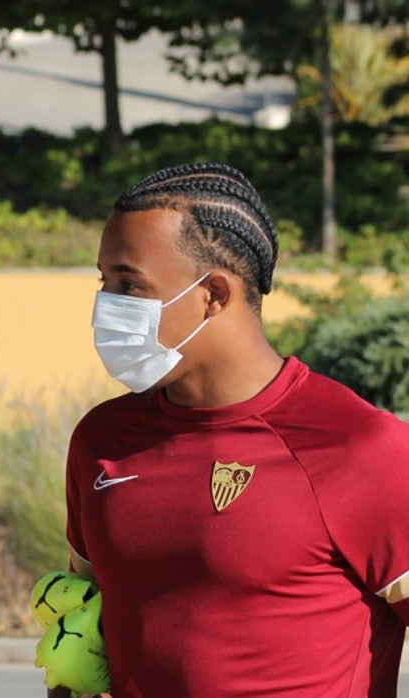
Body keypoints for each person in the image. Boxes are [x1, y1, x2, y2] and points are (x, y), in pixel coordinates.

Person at [55, 162, 409, 697]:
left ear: (215, 294)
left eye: (130, 284)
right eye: (104, 281)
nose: (107, 306)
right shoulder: (101, 442)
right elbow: (82, 626)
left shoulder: (360, 448)